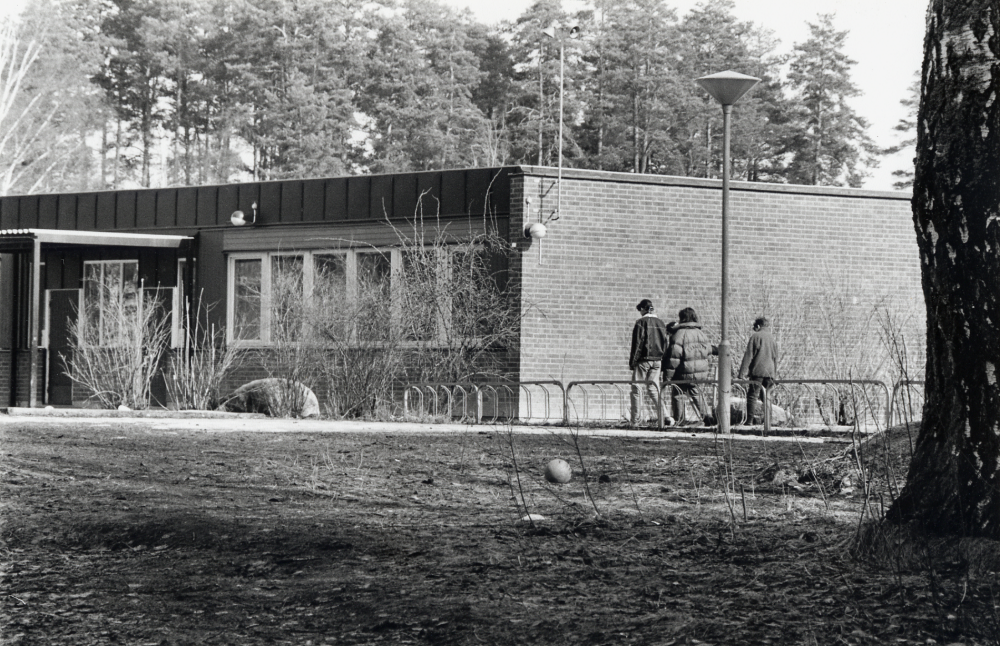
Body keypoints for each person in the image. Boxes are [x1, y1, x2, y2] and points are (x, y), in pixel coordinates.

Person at [662, 307, 717, 425]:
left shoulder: (678, 335)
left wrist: (667, 377)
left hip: (682, 372)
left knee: (678, 394)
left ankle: (680, 419)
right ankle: (708, 417)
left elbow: (674, 358)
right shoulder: (701, 334)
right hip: (700, 373)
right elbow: (708, 352)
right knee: (697, 393)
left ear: (681, 319)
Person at [628, 299, 671, 425]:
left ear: (642, 309)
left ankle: (635, 420)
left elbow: (638, 344)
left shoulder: (641, 323)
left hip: (644, 360)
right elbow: (665, 343)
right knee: (653, 389)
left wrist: (633, 362)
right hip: (657, 360)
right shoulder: (661, 323)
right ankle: (665, 416)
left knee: (637, 388)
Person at [738, 316, 779, 425]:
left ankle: (749, 421)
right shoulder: (772, 338)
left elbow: (748, 355)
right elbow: (775, 358)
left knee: (752, 395)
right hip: (770, 372)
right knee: (767, 396)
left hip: (758, 371)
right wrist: (774, 374)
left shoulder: (756, 336)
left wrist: (742, 372)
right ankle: (768, 421)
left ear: (758, 326)